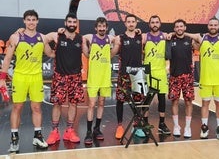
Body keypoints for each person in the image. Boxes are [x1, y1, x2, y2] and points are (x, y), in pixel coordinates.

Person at [0, 10, 54, 152]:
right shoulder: (16, 37)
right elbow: (7, 59)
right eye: (28, 19)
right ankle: (14, 139)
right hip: (20, 77)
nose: (31, 22)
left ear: (37, 21)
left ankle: (37, 136)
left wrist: (62, 41)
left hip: (36, 77)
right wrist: (2, 79)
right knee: (17, 107)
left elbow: (51, 53)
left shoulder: (42, 38)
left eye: (33, 19)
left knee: (37, 108)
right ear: (24, 21)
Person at [45, 13, 85, 145]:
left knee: (73, 104)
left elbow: (88, 53)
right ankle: (54, 132)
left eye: (74, 22)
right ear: (65, 22)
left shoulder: (81, 39)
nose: (72, 24)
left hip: (76, 77)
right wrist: (21, 30)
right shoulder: (57, 35)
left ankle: (69, 130)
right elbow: (42, 39)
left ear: (77, 24)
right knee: (57, 104)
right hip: (60, 76)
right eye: (70, 22)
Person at [111, 14, 145, 139]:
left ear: (136, 23)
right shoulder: (120, 38)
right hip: (124, 75)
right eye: (129, 22)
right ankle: (120, 126)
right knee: (120, 100)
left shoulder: (141, 37)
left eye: (133, 22)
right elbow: (111, 53)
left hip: (137, 74)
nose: (131, 24)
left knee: (138, 101)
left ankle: (136, 126)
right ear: (125, 23)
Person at [82, 17, 114, 145]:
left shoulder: (110, 39)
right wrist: (86, 50)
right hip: (93, 78)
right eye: (99, 26)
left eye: (104, 27)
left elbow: (120, 40)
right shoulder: (90, 37)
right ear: (96, 28)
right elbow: (80, 37)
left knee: (101, 103)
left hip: (105, 77)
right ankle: (88, 131)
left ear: (106, 28)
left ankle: (97, 129)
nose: (101, 29)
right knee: (91, 104)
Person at [166, 19, 195, 138]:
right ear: (174, 29)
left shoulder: (190, 40)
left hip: (187, 76)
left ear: (185, 28)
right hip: (174, 76)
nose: (179, 28)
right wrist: (171, 35)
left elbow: (200, 39)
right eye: (177, 27)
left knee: (188, 102)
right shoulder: (170, 40)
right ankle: (176, 126)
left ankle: (187, 127)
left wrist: (186, 34)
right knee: (175, 101)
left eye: (181, 26)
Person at [142, 15, 171, 135]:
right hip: (148, 71)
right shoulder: (144, 36)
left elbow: (174, 34)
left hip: (161, 71)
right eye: (152, 22)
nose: (154, 24)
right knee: (147, 99)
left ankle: (162, 124)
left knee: (162, 99)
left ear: (160, 24)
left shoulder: (165, 36)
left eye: (157, 22)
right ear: (149, 24)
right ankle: (145, 123)